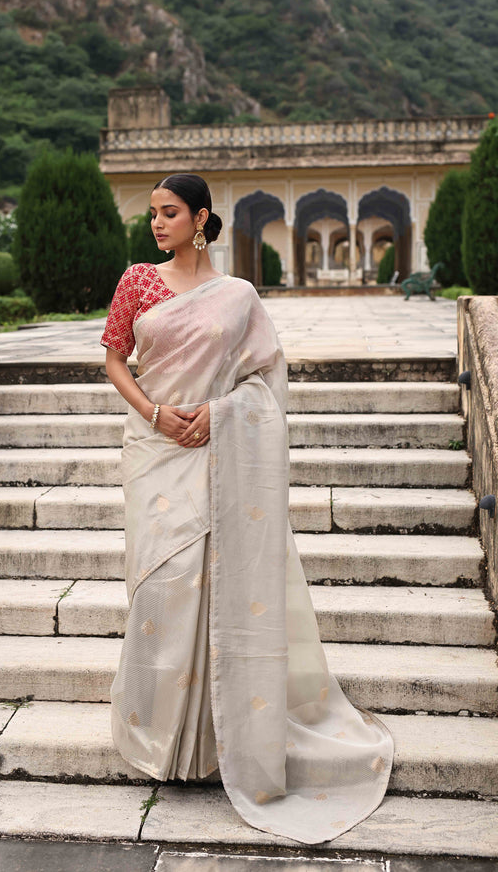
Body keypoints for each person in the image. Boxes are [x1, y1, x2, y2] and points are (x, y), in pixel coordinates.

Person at [100, 173, 393, 844]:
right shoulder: (137, 281)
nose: (156, 223)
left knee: (212, 586)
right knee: (162, 586)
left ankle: (212, 741)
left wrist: (221, 414)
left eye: (169, 213)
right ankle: (158, 736)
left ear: (201, 218)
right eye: (152, 214)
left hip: (216, 447)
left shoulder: (238, 296)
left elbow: (266, 379)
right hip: (154, 451)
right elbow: (115, 358)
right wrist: (155, 411)